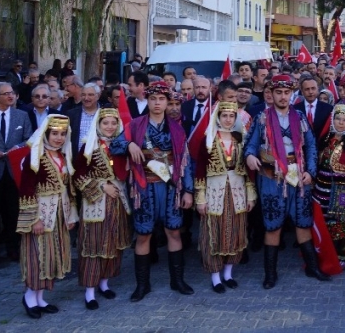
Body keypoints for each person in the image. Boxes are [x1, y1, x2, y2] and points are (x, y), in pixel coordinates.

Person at [110, 81, 194, 302]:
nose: (157, 103)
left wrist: (188, 190)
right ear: (147, 101)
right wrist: (129, 145)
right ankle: (142, 285)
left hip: (170, 188)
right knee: (144, 234)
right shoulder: (135, 125)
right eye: (153, 99)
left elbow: (185, 161)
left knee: (174, 232)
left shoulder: (177, 128)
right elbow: (114, 146)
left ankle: (177, 280)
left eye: (162, 99)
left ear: (168, 102)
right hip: (143, 187)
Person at [244, 75, 329, 288]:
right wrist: (250, 156)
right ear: (270, 94)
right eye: (279, 92)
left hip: (298, 177)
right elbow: (251, 145)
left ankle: (312, 267)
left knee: (303, 222)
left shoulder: (300, 117)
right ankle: (270, 274)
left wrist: (311, 171)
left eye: (287, 93)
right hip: (272, 177)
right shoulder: (262, 117)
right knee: (273, 226)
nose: (283, 97)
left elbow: (310, 146)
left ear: (292, 94)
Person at [17, 114, 78, 318]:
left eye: (62, 134)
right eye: (54, 134)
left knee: (50, 256)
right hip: (41, 214)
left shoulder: (62, 156)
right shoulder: (35, 156)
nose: (59, 138)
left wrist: (70, 216)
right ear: (46, 133)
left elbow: (68, 189)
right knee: (37, 256)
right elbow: (26, 189)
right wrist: (34, 218)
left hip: (59, 214)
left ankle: (40, 298)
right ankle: (29, 297)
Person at [72, 108, 132, 310]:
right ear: (98, 124)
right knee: (93, 244)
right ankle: (90, 290)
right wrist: (101, 186)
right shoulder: (87, 148)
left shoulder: (120, 146)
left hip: (117, 201)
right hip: (95, 202)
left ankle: (104, 283)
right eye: (105, 123)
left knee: (113, 242)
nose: (109, 127)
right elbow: (77, 176)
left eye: (113, 123)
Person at [194, 102, 255, 293]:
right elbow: (200, 171)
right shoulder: (209, 139)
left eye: (231, 116)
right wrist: (200, 198)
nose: (228, 119)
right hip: (214, 189)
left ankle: (228, 273)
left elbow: (247, 172)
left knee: (235, 230)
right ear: (218, 117)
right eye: (224, 116)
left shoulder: (241, 139)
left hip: (237, 190)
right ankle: (215, 276)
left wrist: (251, 195)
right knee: (213, 231)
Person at [0, 82, 33, 267]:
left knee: (13, 212)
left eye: (12, 93)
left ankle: (13, 248)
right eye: (5, 93)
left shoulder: (21, 116)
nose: (10, 96)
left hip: (15, 172)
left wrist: (19, 148)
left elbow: (29, 139)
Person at [313, 104, 345, 268]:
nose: (341, 123)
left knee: (341, 224)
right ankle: (325, 253)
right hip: (321, 189)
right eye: (338, 119)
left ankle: (343, 255)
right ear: (332, 119)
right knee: (324, 222)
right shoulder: (325, 139)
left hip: (342, 190)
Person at [295, 76, 333, 141]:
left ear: (318, 89)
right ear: (302, 91)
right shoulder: (295, 109)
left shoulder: (328, 109)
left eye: (313, 88)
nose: (310, 92)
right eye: (307, 89)